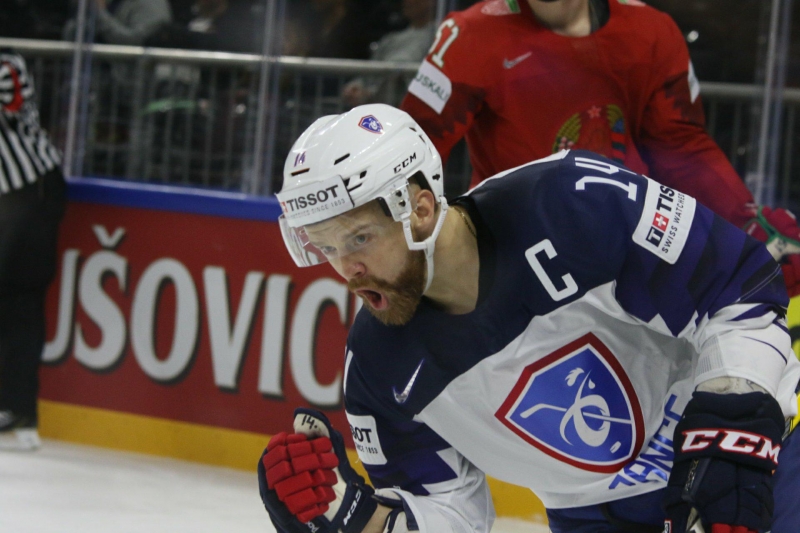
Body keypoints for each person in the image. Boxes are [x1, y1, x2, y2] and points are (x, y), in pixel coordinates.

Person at [257, 104, 800, 533]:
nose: (348, 271)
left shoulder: (571, 203)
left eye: (359, 238)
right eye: (327, 248)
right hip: (599, 521)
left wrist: (734, 425)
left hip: (761, 450)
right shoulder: (379, 372)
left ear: (419, 208)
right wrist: (364, 523)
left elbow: (740, 290)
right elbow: (450, 514)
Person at [398, 0, 800, 299]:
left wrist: (740, 217)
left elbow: (681, 146)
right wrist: (411, 243)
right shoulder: (468, 35)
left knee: (782, 259)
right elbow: (412, 147)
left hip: (630, 247)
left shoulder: (650, 30)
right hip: (518, 256)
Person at [0, 50, 67, 451]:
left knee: (20, 298)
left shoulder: (9, 65)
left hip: (33, 193)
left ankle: (20, 408)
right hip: (9, 199)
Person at [341, 0, 437, 108]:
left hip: (406, 111)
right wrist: (356, 86)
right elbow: (370, 71)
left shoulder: (438, 37)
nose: (409, 2)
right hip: (377, 110)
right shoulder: (391, 39)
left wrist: (370, 95)